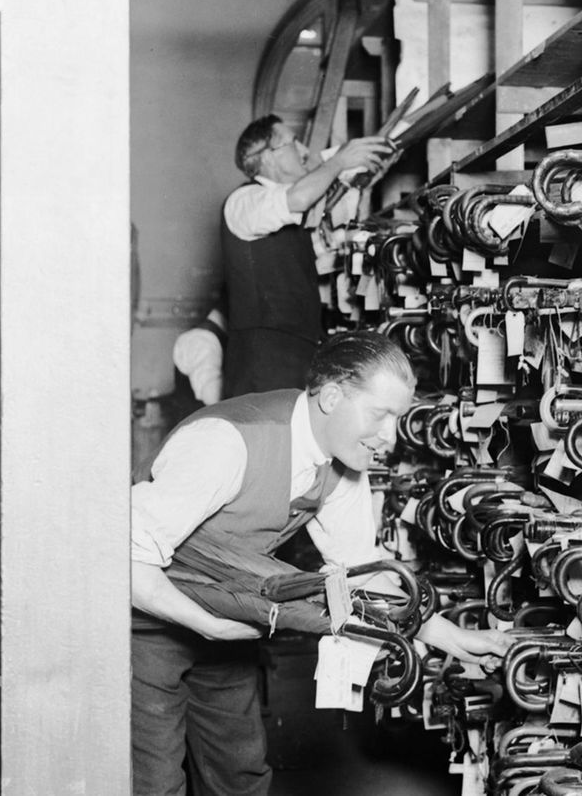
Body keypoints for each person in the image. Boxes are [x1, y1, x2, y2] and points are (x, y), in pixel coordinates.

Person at [130, 331, 513, 795]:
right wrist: (207, 625)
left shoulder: (341, 462)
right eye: (380, 415)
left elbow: (360, 569)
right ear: (332, 397)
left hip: (225, 628)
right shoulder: (226, 443)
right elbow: (127, 561)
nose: (390, 437)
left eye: (399, 418)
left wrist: (451, 636)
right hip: (147, 627)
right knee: (153, 781)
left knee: (240, 777)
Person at [221, 116, 394, 398]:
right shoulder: (244, 201)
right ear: (267, 157)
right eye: (293, 143)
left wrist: (366, 183)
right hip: (264, 363)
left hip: (295, 353)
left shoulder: (290, 218)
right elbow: (298, 198)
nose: (304, 151)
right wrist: (339, 161)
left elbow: (335, 248)